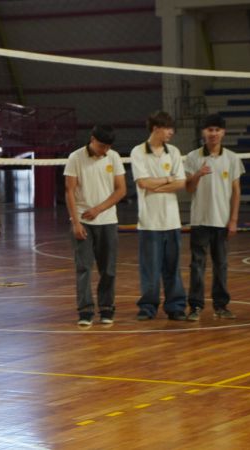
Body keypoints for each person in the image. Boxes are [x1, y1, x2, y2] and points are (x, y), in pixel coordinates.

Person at [184, 114, 245, 320]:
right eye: (210, 129)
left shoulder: (232, 158)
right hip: (200, 220)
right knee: (197, 265)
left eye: (217, 130)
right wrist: (197, 175)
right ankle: (195, 306)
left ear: (223, 132)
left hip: (222, 221)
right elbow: (189, 188)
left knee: (221, 265)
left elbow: (236, 191)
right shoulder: (193, 157)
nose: (213, 133)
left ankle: (221, 305)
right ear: (203, 132)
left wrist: (233, 220)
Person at [64, 125, 126, 326]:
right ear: (92, 139)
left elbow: (121, 190)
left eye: (108, 147)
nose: (104, 150)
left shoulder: (114, 157)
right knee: (83, 268)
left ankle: (107, 308)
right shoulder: (75, 158)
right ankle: (85, 311)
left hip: (108, 221)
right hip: (83, 222)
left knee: (108, 269)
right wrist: (75, 222)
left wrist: (99, 209)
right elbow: (69, 191)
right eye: (101, 146)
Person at [129, 111, 187, 321]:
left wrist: (157, 184)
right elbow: (143, 182)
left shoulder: (174, 152)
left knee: (173, 267)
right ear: (156, 128)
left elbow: (181, 183)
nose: (171, 132)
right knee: (150, 269)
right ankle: (147, 307)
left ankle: (176, 306)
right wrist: (167, 179)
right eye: (168, 128)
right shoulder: (138, 152)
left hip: (172, 221)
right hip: (149, 222)